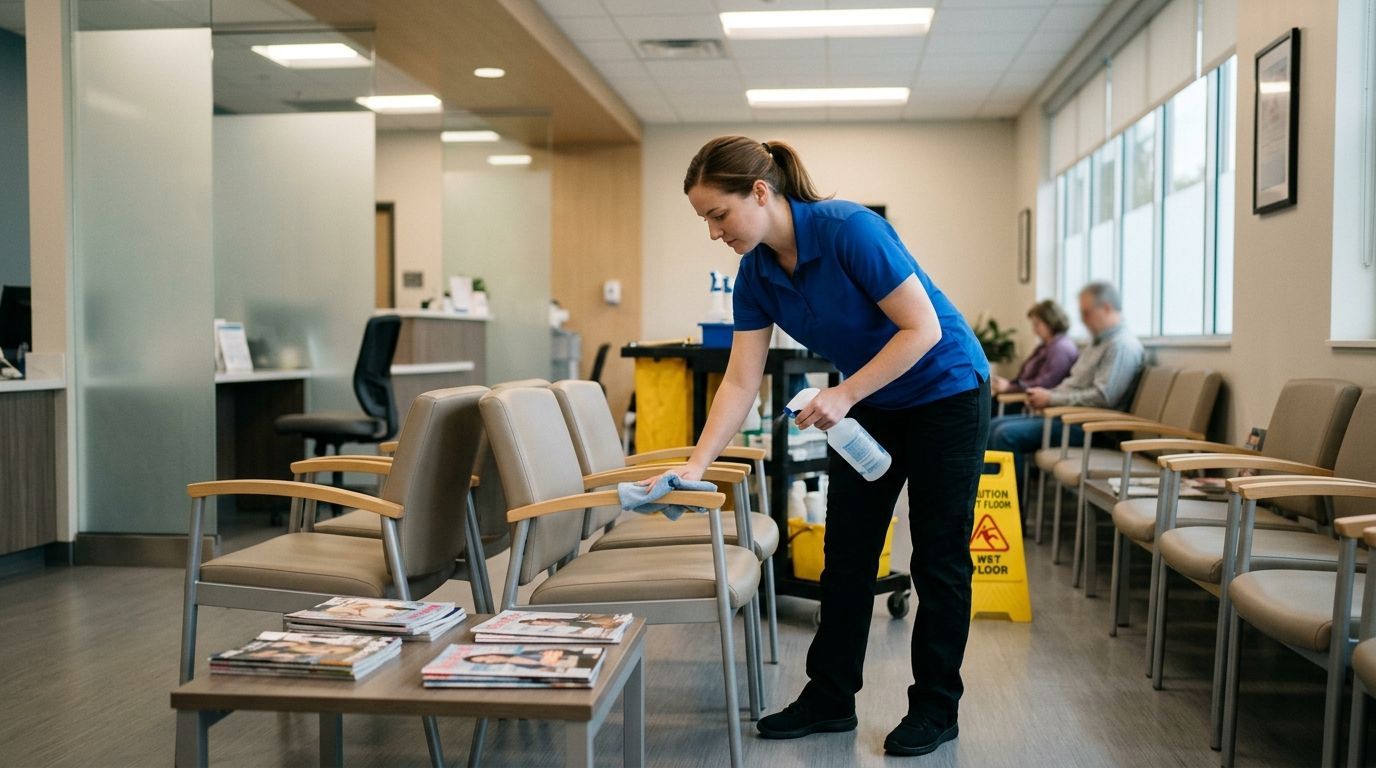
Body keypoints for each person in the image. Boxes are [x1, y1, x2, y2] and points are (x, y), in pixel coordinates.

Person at [646, 135, 990, 757]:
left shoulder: (850, 229)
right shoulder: (754, 275)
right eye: (704, 220)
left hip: (947, 391)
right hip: (872, 405)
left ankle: (936, 708)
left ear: (759, 191)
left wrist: (845, 393)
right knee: (847, 555)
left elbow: (924, 328)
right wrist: (696, 465)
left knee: (939, 557)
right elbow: (741, 379)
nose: (713, 232)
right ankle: (831, 697)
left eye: (718, 214)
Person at [986, 282, 1144, 486]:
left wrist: (1051, 398)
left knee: (1003, 434)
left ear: (1106, 308)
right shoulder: (1098, 344)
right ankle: (989, 509)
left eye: (1086, 313)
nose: (1083, 320)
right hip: (1067, 418)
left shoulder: (1121, 346)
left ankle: (1010, 515)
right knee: (993, 426)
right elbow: (1072, 384)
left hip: (1090, 429)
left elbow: (1103, 398)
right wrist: (1048, 397)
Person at [990, 299, 1078, 401]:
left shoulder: (1060, 349)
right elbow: (1026, 378)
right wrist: (1008, 384)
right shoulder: (1044, 346)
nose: (1034, 329)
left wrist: (1010, 387)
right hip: (1024, 397)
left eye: (1037, 324)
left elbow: (1046, 384)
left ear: (1051, 322)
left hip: (1032, 403)